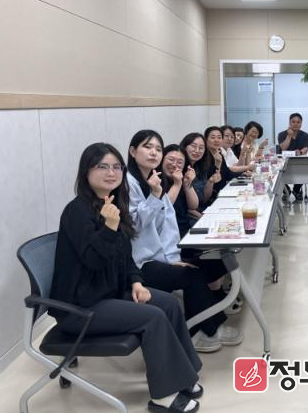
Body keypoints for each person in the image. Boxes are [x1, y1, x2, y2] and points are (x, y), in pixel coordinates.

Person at [50, 142, 202, 413]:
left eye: (117, 167)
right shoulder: (77, 211)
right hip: (81, 307)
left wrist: (136, 282)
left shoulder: (110, 203)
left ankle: (184, 376)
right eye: (102, 166)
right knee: (153, 317)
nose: (111, 173)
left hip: (108, 292)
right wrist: (109, 227)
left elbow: (125, 256)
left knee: (168, 304)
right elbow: (94, 260)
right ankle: (163, 397)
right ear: (86, 172)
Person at [127, 130, 242, 353]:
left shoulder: (153, 181)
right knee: (194, 274)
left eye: (157, 149)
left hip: (159, 253)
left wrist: (171, 257)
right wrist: (169, 260)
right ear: (132, 151)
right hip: (139, 264)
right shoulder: (134, 183)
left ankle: (213, 324)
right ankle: (202, 331)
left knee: (209, 265)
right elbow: (137, 227)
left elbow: (165, 226)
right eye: (147, 147)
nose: (153, 153)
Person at [180, 133, 221, 218]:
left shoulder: (200, 167)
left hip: (203, 210)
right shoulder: (179, 168)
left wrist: (210, 182)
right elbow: (184, 206)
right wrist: (203, 218)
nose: (197, 150)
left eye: (201, 148)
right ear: (185, 146)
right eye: (193, 146)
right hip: (186, 217)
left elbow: (204, 199)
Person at [161, 144, 198, 237]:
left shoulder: (181, 178)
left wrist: (187, 184)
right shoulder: (156, 180)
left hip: (184, 228)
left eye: (180, 162)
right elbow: (164, 208)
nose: (174, 164)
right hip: (167, 232)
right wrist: (177, 185)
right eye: (171, 159)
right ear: (161, 159)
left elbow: (193, 206)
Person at [277, 112, 308, 201]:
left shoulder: (304, 135)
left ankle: (296, 190)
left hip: (299, 162)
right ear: (289, 123)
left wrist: (301, 152)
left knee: (305, 170)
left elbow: (306, 148)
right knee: (278, 173)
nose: (296, 124)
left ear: (301, 123)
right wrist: (289, 136)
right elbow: (283, 148)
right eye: (293, 122)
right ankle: (286, 189)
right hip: (284, 162)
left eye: (298, 122)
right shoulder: (281, 134)